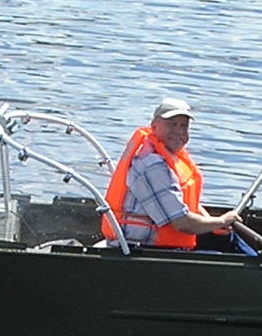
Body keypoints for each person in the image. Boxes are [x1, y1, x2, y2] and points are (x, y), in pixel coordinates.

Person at [101, 96, 241, 250]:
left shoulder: (166, 155)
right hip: (141, 249)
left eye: (184, 126)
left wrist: (214, 223)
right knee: (231, 250)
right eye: (172, 124)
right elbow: (181, 222)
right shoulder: (152, 165)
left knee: (226, 239)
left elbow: (181, 202)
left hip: (160, 243)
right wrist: (221, 221)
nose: (179, 131)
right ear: (154, 126)